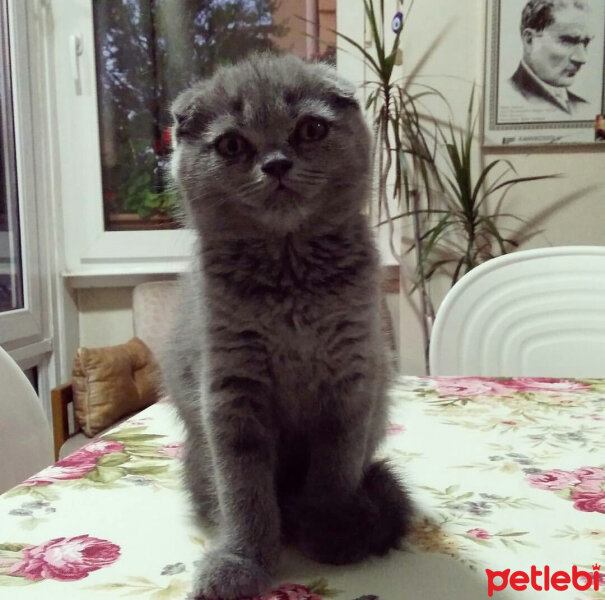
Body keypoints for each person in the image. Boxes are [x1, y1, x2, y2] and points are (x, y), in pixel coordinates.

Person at [509, 0, 594, 115]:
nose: (582, 58)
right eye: (568, 41)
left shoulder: (585, 107)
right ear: (529, 40)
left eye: (585, 43)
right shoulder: (509, 96)